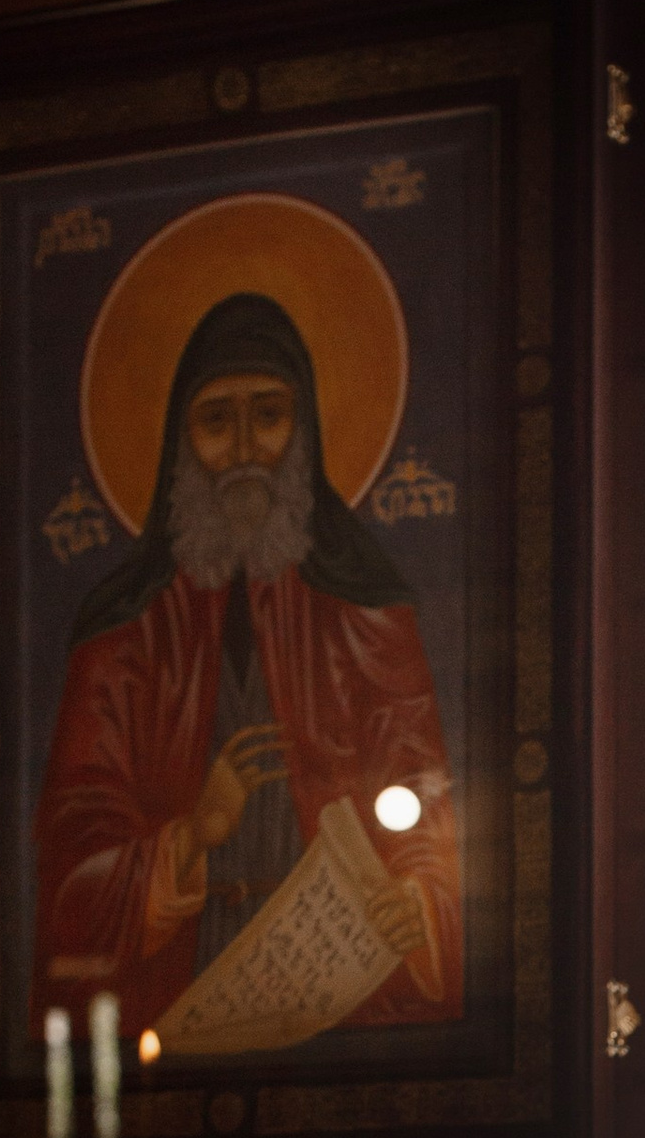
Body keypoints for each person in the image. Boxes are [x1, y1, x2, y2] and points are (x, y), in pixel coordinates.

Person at [32, 286, 463, 1049]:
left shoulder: (365, 607)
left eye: (268, 415)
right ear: (180, 438)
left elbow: (426, 805)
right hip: (177, 989)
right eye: (215, 421)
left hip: (335, 990)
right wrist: (190, 838)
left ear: (304, 431)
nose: (241, 448)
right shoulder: (120, 631)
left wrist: (417, 902)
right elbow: (70, 868)